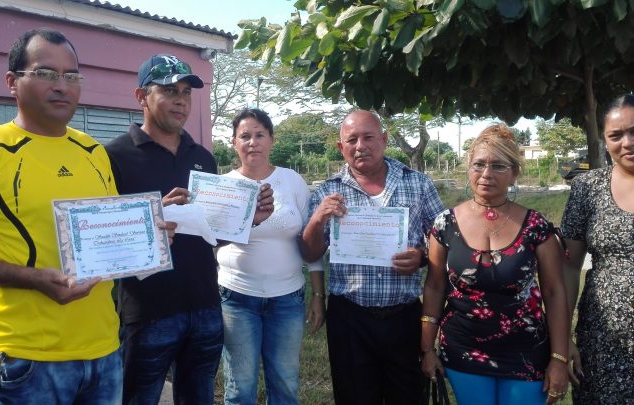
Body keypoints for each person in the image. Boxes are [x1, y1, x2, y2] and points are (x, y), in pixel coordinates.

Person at [0, 28, 126, 404]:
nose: (62, 85)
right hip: (29, 360)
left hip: (105, 351)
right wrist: (33, 279)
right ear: (12, 82)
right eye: (46, 73)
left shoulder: (93, 151)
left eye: (72, 75)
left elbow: (105, 234)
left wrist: (151, 233)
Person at [106, 55, 274, 404]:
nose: (181, 100)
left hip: (205, 305)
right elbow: (107, 241)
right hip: (148, 310)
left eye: (186, 92)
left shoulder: (202, 157)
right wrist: (153, 218)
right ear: (141, 96)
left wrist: (247, 220)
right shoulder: (112, 156)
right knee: (138, 397)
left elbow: (210, 234)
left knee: (199, 397)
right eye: (169, 90)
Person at [299, 110, 444, 404]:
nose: (360, 145)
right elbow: (309, 252)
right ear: (341, 147)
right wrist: (317, 219)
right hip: (350, 317)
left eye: (368, 137)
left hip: (404, 316)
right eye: (351, 140)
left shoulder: (418, 184)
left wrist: (422, 256)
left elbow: (444, 240)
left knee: (407, 396)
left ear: (384, 139)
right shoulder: (329, 191)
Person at [420, 124, 570, 405]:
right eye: (479, 164)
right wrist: (427, 348)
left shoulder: (536, 226)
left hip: (527, 350)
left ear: (514, 173)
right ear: (468, 168)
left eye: (498, 166)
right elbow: (435, 285)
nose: (486, 174)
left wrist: (559, 358)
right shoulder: (444, 224)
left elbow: (554, 292)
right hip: (464, 348)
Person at [217, 108, 325, 404]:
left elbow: (310, 240)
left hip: (287, 299)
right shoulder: (222, 186)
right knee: (240, 387)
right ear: (234, 142)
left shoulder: (292, 181)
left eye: (260, 135)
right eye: (245, 136)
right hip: (236, 298)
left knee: (286, 385)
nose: (253, 142)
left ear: (272, 140)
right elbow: (208, 241)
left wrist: (318, 295)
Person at [561, 94, 634, 403]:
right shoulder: (587, 188)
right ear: (605, 141)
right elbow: (568, 266)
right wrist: (562, 337)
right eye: (616, 135)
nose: (627, 142)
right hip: (603, 339)